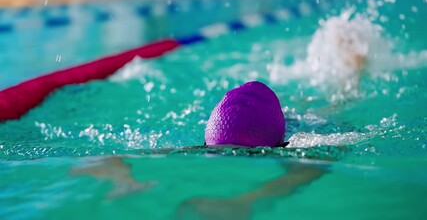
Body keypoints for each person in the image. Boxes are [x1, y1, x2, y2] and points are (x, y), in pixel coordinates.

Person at [71, 81, 330, 218]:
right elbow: (111, 159)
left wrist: (247, 201)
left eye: (241, 153)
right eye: (219, 151)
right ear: (207, 145)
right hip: (262, 125)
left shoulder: (299, 144)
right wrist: (124, 180)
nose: (226, 156)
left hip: (295, 123)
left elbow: (310, 169)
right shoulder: (202, 147)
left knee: (323, 110)